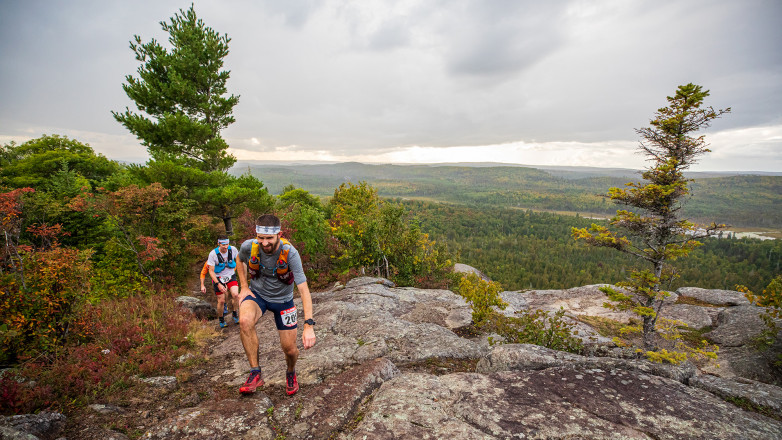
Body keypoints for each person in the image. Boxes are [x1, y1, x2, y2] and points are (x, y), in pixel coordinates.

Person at [235, 214, 316, 396]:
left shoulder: (291, 253)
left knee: (290, 349)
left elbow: (303, 289)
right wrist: (244, 287)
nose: (264, 243)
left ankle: (290, 372)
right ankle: (255, 373)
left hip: (283, 301)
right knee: (244, 320)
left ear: (279, 234)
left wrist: (309, 325)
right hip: (258, 295)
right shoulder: (249, 246)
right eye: (261, 238)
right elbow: (239, 261)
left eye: (269, 238)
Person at [206, 236, 240, 328]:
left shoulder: (233, 250)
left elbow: (239, 261)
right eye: (223, 244)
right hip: (218, 278)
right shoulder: (213, 254)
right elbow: (211, 271)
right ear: (219, 244)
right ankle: (221, 319)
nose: (225, 246)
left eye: (227, 244)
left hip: (230, 275)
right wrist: (218, 284)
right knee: (221, 300)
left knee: (236, 295)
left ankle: (235, 313)